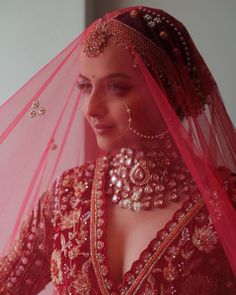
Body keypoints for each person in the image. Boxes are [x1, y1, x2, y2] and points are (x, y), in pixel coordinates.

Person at [0, 5, 236, 295]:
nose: (91, 108)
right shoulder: (67, 197)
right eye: (86, 87)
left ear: (167, 90)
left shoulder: (226, 204)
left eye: (116, 88)